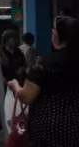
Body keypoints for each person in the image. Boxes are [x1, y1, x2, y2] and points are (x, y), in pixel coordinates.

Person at [8, 15, 79, 147]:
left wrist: (15, 86)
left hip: (48, 128)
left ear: (55, 35)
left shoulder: (45, 64)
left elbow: (27, 97)